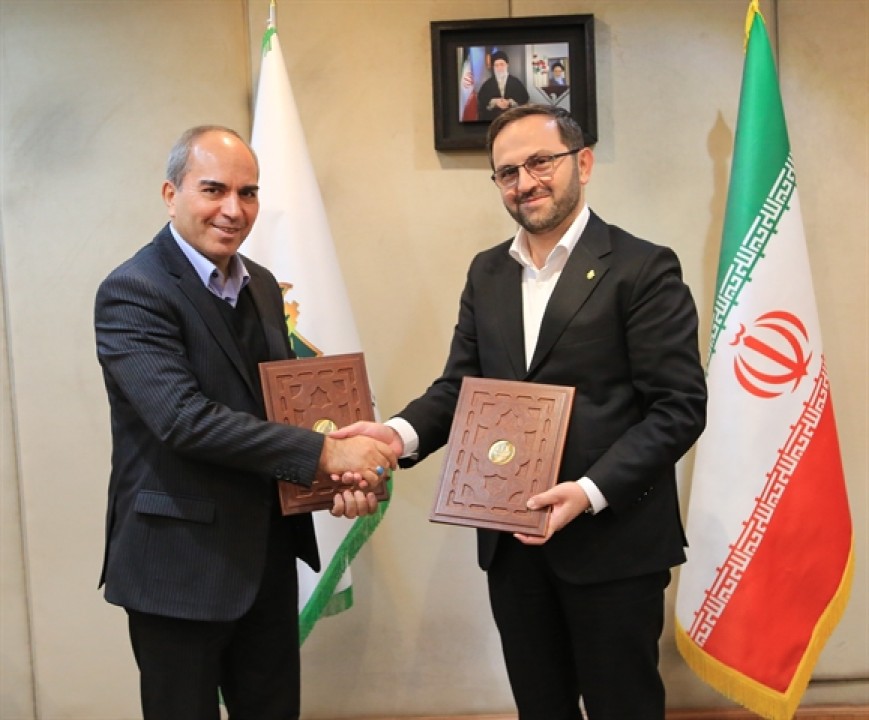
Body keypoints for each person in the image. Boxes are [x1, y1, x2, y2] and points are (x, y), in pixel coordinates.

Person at [332, 105, 707, 719]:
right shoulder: (488, 272)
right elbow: (460, 388)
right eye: (507, 172)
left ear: (583, 163)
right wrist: (395, 436)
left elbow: (679, 408)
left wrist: (588, 492)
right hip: (513, 546)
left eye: (541, 162)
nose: (525, 182)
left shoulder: (642, 267)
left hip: (613, 545)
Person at [94, 125, 395, 720]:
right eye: (213, 189)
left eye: (248, 192)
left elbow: (281, 409)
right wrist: (326, 455)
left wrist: (337, 482)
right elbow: (182, 420)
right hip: (178, 567)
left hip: (266, 558)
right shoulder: (133, 291)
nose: (233, 209)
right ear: (171, 194)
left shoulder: (260, 285)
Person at [477, 50, 530, 121]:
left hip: (512, 120)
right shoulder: (487, 84)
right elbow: (482, 100)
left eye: (502, 64)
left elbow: (524, 98)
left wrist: (509, 102)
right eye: (496, 65)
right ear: (493, 67)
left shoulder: (516, 82)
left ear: (507, 65)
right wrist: (495, 102)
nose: (499, 68)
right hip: (493, 120)